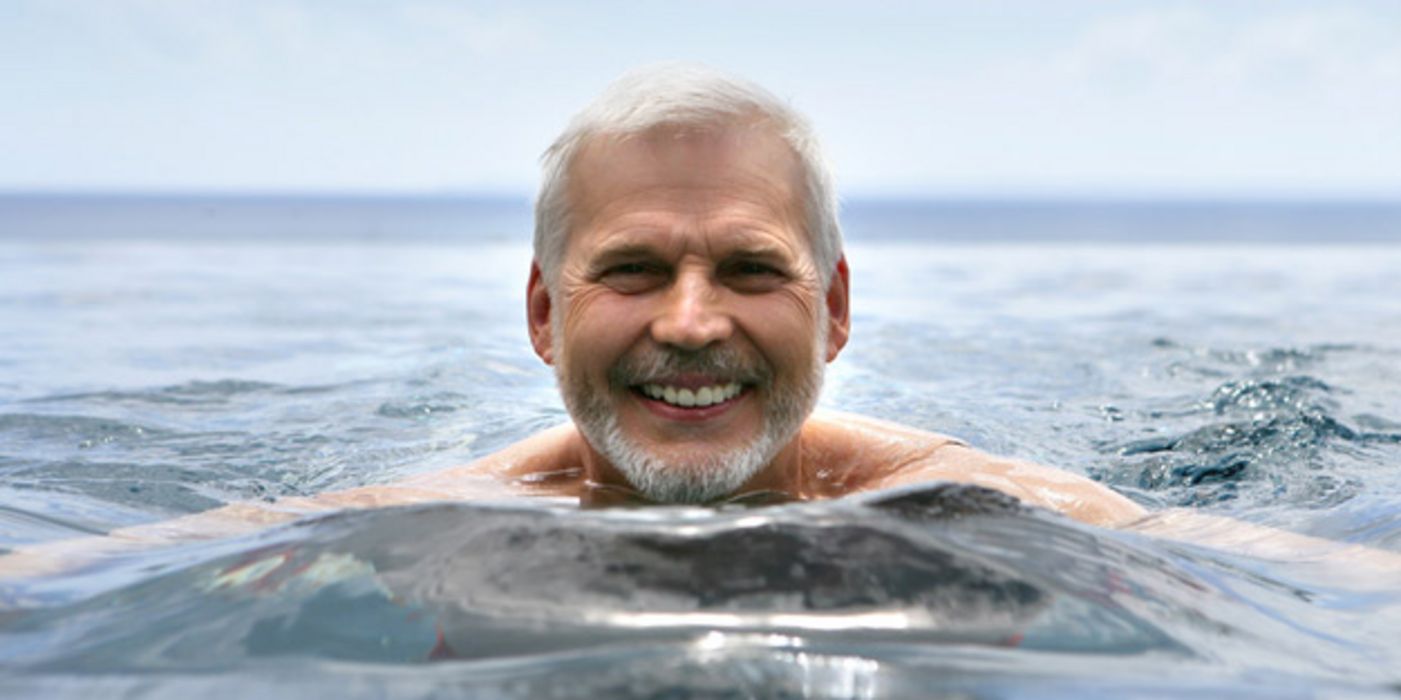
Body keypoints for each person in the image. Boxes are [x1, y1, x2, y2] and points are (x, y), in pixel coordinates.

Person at [2, 64, 1397, 579]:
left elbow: (1272, 576)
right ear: (542, 315)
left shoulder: (981, 507)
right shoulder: (427, 518)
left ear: (834, 308)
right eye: (629, 272)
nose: (689, 322)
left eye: (747, 268)